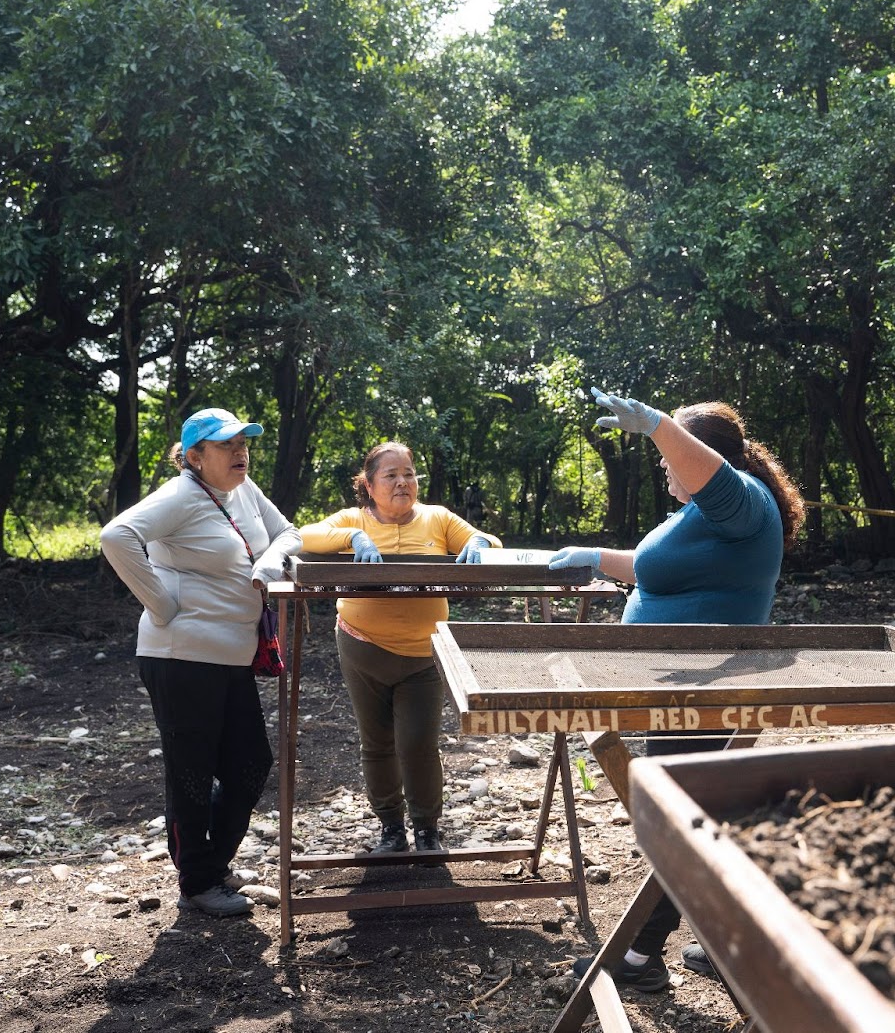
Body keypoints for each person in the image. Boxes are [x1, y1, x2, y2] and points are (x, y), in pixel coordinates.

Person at [550, 386, 804, 992]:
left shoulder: (745, 504)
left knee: (678, 815)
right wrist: (592, 557)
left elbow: (717, 482)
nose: (664, 466)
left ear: (698, 455)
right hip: (681, 687)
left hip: (710, 691)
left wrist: (660, 425)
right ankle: (727, 940)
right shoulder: (699, 517)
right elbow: (650, 569)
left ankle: (640, 954)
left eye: (670, 455)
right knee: (699, 814)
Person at [100, 408, 301, 917]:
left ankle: (209, 865)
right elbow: (116, 537)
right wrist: (161, 603)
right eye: (227, 445)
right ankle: (197, 882)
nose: (241, 452)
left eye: (244, 442)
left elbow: (290, 533)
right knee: (191, 773)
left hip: (231, 656)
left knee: (251, 764)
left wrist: (271, 561)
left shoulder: (242, 490)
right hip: (180, 657)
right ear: (194, 457)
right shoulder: (180, 495)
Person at [298, 442, 501, 854]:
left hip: (424, 654)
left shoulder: (437, 518)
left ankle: (427, 829)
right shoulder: (354, 518)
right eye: (390, 475)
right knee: (376, 742)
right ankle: (391, 828)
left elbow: (489, 541)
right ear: (369, 485)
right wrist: (353, 536)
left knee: (418, 743)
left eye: (408, 473)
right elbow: (306, 535)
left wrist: (479, 541)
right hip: (361, 646)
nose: (402, 482)